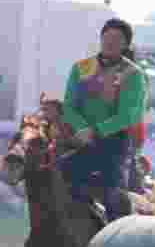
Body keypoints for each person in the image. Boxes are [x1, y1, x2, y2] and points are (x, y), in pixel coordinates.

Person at [61, 18, 147, 223]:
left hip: (114, 145)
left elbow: (128, 116)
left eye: (117, 39)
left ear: (126, 44)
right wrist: (82, 129)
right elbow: (69, 106)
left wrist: (94, 131)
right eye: (106, 37)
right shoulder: (81, 68)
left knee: (114, 197)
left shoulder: (133, 75)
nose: (110, 42)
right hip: (80, 141)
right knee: (55, 178)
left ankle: (118, 243)